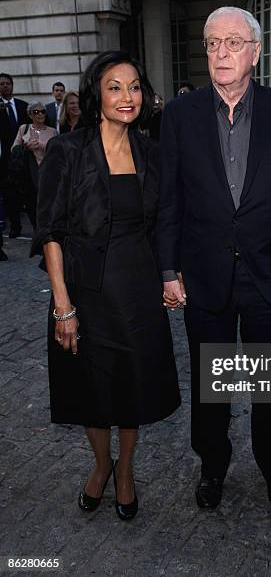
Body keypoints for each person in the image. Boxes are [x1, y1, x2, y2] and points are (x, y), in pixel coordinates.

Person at [156, 6, 271, 510]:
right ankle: (212, 467)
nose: (220, 52)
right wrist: (167, 269)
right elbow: (170, 199)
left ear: (255, 52)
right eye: (211, 43)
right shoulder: (179, 116)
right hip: (205, 277)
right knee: (211, 385)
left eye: (232, 42)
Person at [31, 50, 180, 521]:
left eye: (134, 86)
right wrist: (62, 306)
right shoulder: (67, 150)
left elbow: (164, 225)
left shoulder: (151, 153)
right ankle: (101, 464)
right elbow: (50, 230)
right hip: (84, 292)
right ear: (97, 92)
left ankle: (127, 471)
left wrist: (170, 276)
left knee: (133, 389)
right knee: (90, 391)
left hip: (137, 293)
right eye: (115, 86)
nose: (127, 96)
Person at [12, 102, 57, 229]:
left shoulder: (52, 131)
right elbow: (14, 148)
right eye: (36, 112)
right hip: (29, 174)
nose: (40, 114)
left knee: (48, 204)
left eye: (43, 111)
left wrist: (41, 145)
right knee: (32, 205)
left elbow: (58, 151)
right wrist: (26, 146)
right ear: (30, 114)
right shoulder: (23, 128)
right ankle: (37, 230)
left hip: (48, 174)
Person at [0, 72, 29, 244]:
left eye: (7, 83)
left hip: (23, 158)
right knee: (10, 195)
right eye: (1, 84)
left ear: (12, 85)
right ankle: (15, 226)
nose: (5, 86)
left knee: (27, 192)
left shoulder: (22, 105)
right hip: (4, 160)